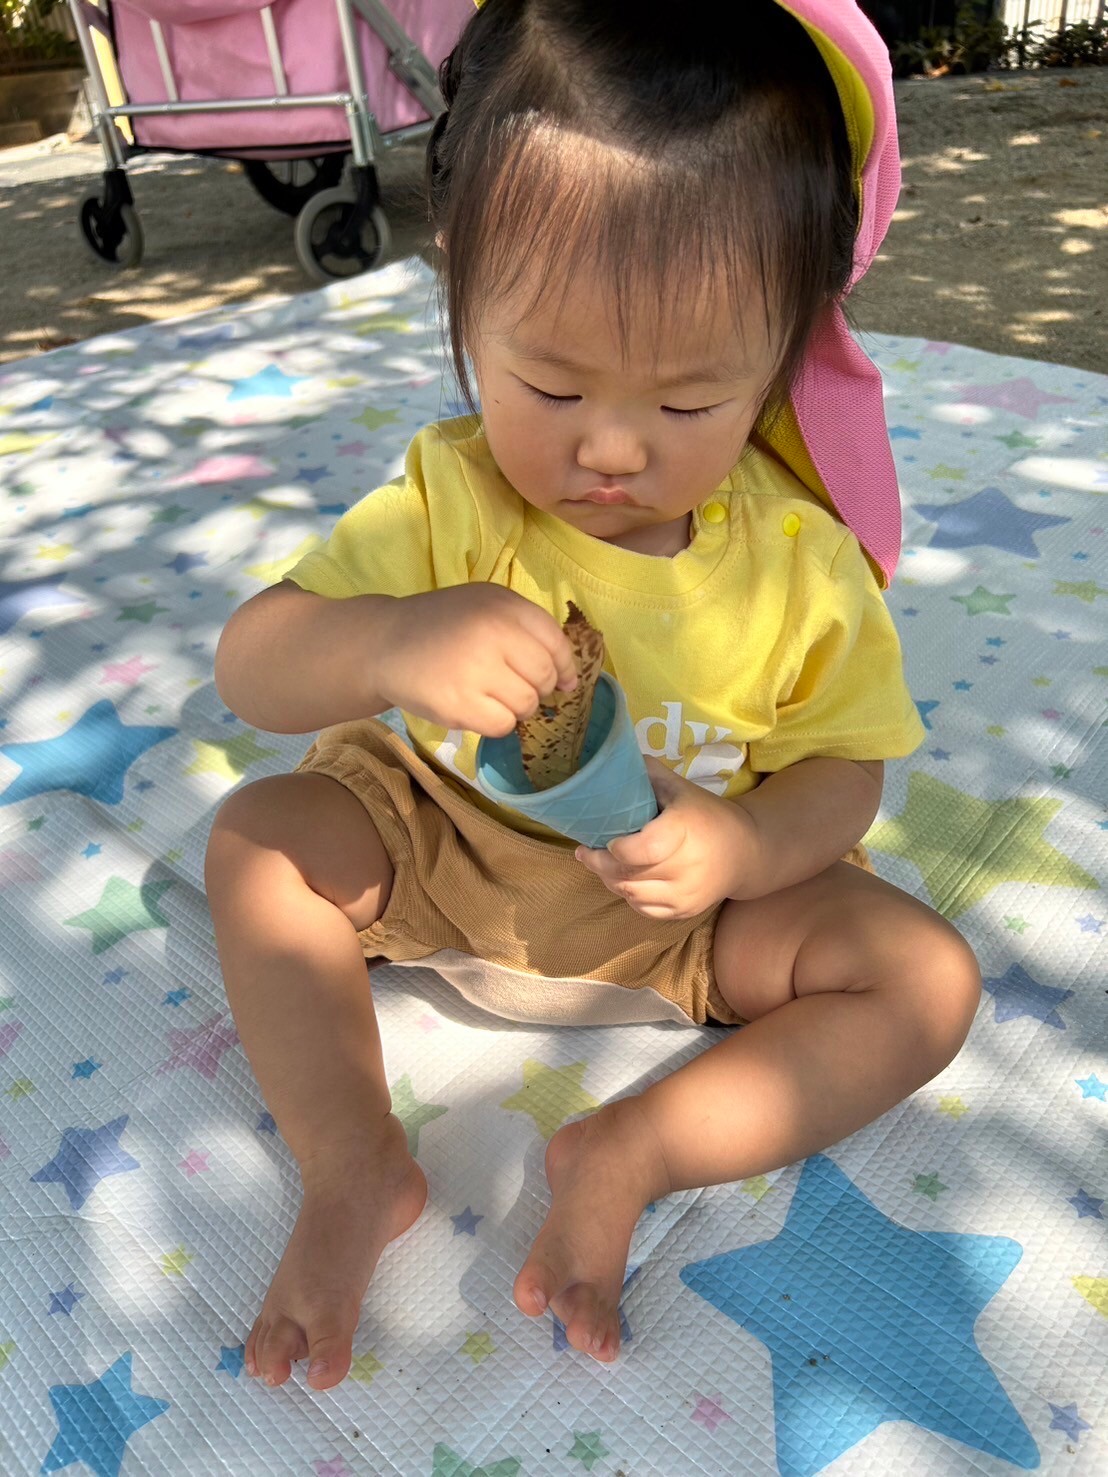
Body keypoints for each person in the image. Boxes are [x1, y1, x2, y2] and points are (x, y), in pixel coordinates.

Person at [206, 0, 982, 1393]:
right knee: (259, 835)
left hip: (682, 917)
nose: (614, 447)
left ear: (783, 352)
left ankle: (632, 1149)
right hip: (435, 848)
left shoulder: (800, 564)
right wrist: (388, 639)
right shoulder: (451, 496)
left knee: (927, 979)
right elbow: (253, 661)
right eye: (551, 385)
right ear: (464, 285)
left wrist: (745, 845)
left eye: (689, 405)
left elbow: (844, 771)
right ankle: (349, 1157)